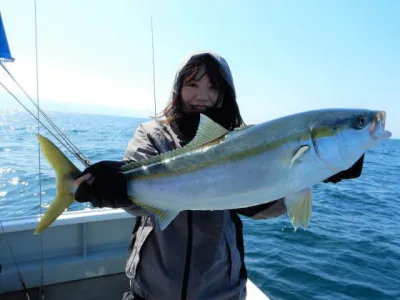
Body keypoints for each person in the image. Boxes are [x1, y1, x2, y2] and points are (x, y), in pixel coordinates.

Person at [74, 50, 365, 300]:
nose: (203, 96)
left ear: (224, 93)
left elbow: (268, 208)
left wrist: (313, 173)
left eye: (213, 88)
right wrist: (118, 186)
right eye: (193, 84)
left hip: (219, 288)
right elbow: (139, 203)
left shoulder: (241, 140)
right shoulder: (153, 135)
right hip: (153, 286)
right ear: (178, 88)